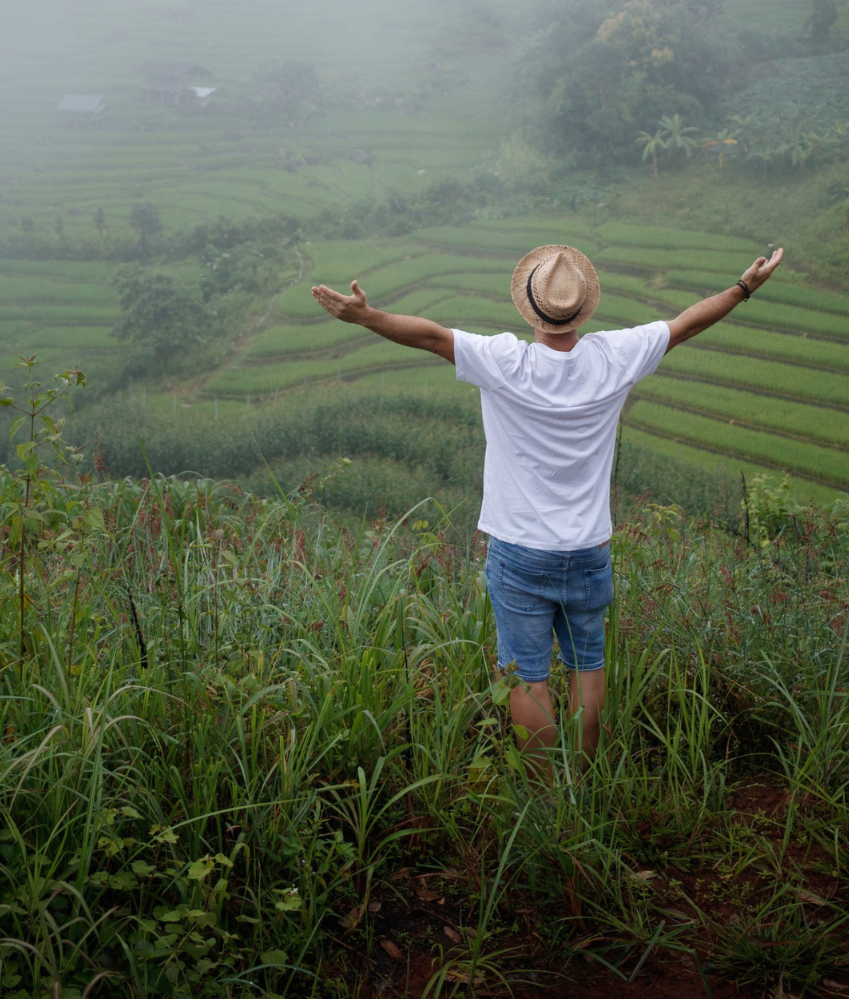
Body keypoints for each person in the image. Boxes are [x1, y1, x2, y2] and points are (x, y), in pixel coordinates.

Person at [312, 240, 783, 773]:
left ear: (531, 310)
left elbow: (430, 336)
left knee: (526, 675)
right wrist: (745, 287)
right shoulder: (616, 356)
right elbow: (687, 323)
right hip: (587, 550)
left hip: (519, 553)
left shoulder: (504, 361)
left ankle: (541, 795)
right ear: (581, 309)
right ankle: (581, 782)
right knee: (589, 668)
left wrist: (366, 316)